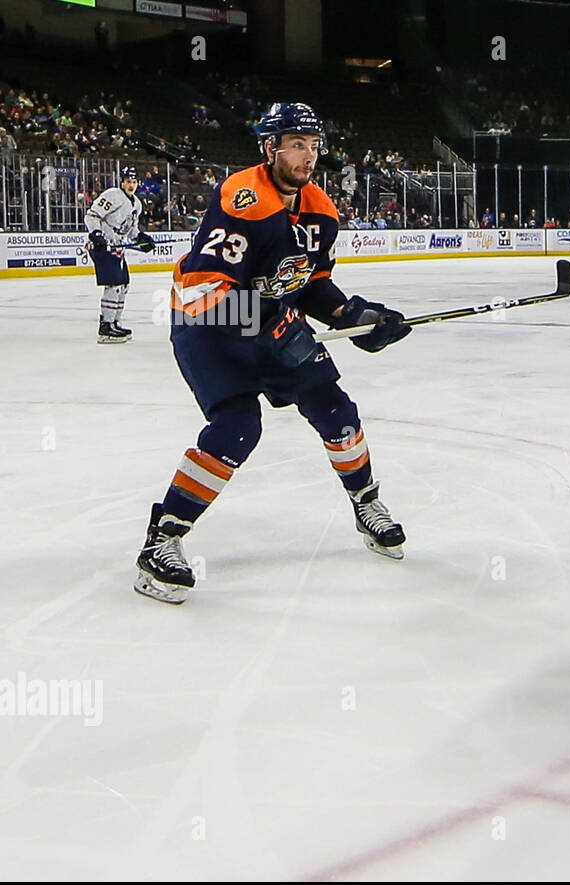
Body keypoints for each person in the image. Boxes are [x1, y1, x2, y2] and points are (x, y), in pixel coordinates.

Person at [133, 102, 412, 604]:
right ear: (271, 148)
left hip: (271, 323)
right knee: (237, 427)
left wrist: (357, 318)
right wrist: (268, 325)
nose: (308, 156)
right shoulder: (243, 198)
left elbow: (311, 286)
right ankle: (162, 540)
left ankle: (367, 504)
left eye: (313, 146)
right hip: (206, 326)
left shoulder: (321, 211)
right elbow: (202, 288)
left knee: (335, 409)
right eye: (297, 145)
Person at [84, 165, 154, 344]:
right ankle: (106, 326)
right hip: (103, 247)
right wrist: (97, 234)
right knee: (114, 284)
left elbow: (131, 230)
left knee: (124, 286)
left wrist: (141, 238)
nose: (131, 185)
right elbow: (92, 215)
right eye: (128, 181)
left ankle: (114, 322)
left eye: (134, 182)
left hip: (117, 248)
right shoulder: (113, 195)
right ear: (122, 182)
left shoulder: (136, 203)